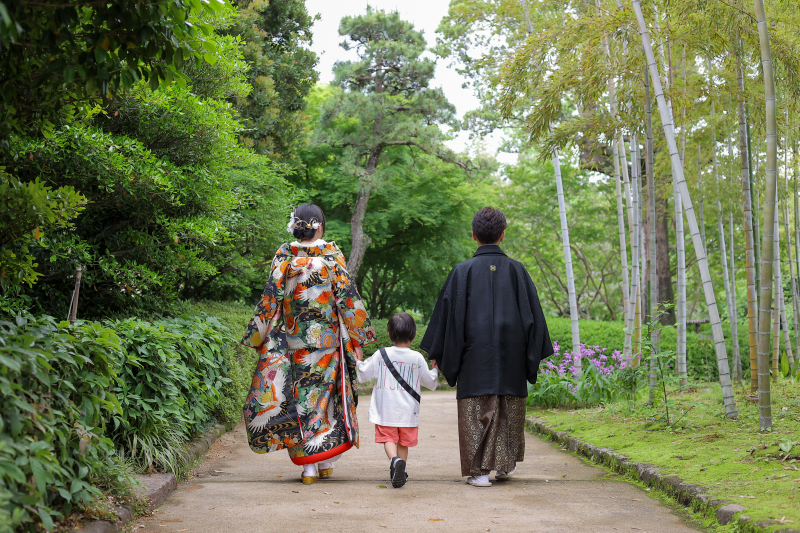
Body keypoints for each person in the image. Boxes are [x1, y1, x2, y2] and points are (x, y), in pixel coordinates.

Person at [241, 204, 376, 484]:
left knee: (302, 401)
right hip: (328, 342)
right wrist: (358, 338)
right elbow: (347, 298)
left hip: (294, 341)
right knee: (326, 400)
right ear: (320, 225)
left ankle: (309, 469)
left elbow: (270, 298)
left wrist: (259, 335)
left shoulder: (284, 258)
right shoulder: (330, 256)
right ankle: (324, 459)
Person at [420, 206, 553, 487]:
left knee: (475, 413)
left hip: (472, 358)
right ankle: (505, 466)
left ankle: (479, 472)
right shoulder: (517, 271)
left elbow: (448, 319)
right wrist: (532, 355)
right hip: (512, 357)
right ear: (503, 235)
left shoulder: (461, 272)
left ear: (473, 235)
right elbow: (533, 320)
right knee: (507, 409)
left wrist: (440, 353)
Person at [356, 312, 438, 488]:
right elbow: (429, 381)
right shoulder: (416, 357)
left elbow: (364, 374)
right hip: (408, 411)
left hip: (386, 408)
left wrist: (358, 361)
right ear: (414, 334)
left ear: (389, 335)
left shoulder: (381, 354)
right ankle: (401, 469)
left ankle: (394, 461)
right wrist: (435, 369)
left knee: (388, 438)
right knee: (403, 442)